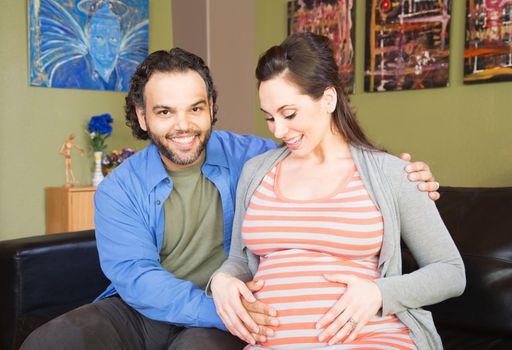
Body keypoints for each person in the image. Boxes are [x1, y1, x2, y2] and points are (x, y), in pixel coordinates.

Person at [22, 47, 440, 350]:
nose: (183, 125)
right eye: (165, 112)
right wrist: (223, 308)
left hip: (227, 318)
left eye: (195, 108)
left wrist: (407, 176)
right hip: (152, 309)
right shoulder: (118, 189)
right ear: (144, 116)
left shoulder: (257, 159)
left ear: (211, 108)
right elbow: (137, 279)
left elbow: (317, 151)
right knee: (47, 342)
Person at [210, 32, 465, 350]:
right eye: (269, 118)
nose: (278, 129)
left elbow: (450, 272)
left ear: (328, 99)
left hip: (369, 340)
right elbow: (239, 259)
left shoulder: (390, 174)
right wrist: (221, 280)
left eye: (289, 114)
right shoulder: (256, 172)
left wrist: (379, 293)